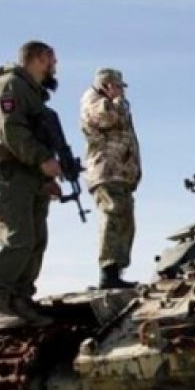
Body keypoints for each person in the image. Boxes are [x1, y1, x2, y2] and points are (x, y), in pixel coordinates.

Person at [0, 40, 61, 330]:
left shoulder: (33, 94)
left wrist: (47, 179)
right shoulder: (9, 85)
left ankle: (20, 300)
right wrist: (43, 160)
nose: (54, 66)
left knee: (36, 240)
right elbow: (10, 130)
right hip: (6, 172)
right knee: (18, 238)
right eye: (51, 60)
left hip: (28, 175)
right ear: (37, 58)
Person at [80, 68, 141, 289]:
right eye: (118, 87)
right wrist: (115, 101)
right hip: (106, 171)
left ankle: (116, 271)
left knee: (125, 221)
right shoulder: (93, 100)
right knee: (112, 216)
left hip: (120, 172)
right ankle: (108, 273)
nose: (122, 92)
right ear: (107, 85)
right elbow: (105, 119)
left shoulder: (114, 103)